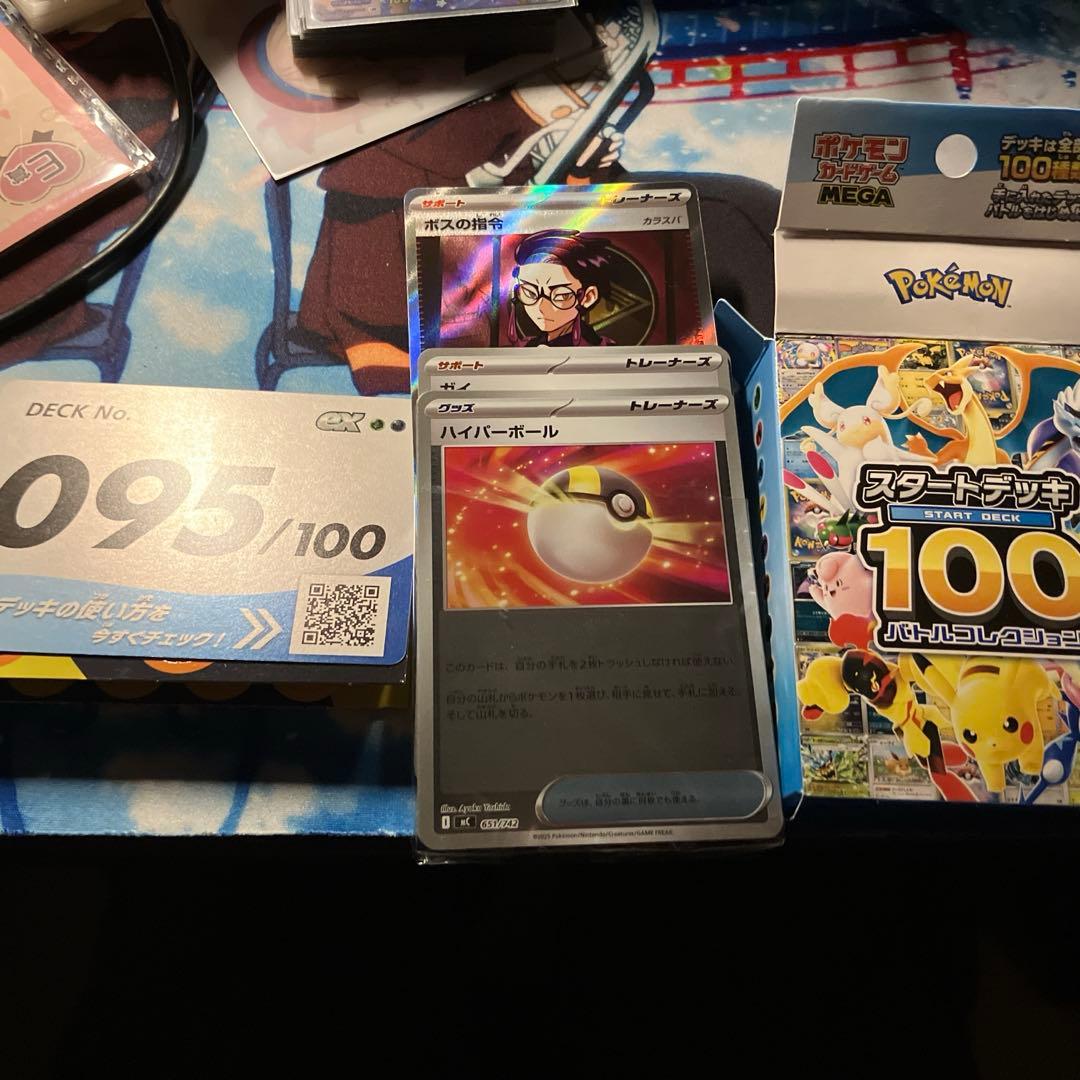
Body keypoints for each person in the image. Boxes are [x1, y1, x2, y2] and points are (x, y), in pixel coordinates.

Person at [507, 229, 614, 347]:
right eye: (530, 292)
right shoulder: (530, 344)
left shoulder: (598, 347)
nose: (541, 307)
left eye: (560, 295)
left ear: (588, 297)